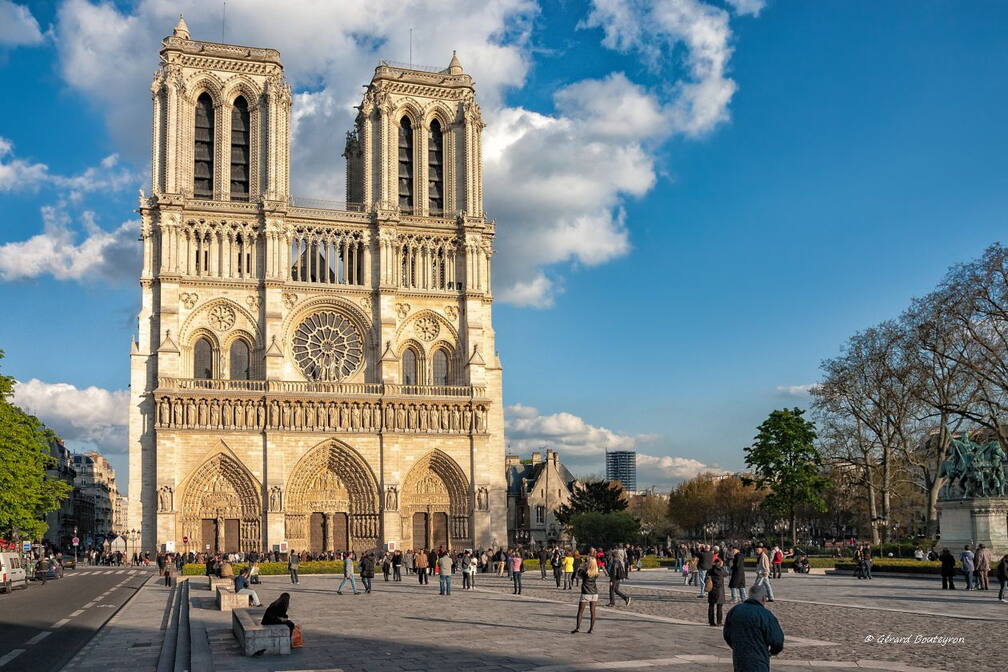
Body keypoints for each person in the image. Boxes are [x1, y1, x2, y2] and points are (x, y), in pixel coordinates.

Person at [723, 584, 784, 672]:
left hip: (739, 659)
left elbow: (727, 634)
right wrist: (772, 652)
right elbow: (777, 640)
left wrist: (737, 646)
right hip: (759, 660)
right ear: (763, 598)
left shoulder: (734, 611)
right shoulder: (766, 615)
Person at [571, 556, 601, 634]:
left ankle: (577, 627)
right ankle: (591, 629)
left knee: (580, 611)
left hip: (586, 593)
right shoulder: (596, 572)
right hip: (594, 593)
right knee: (593, 612)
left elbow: (576, 576)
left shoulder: (585, 572)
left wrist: (583, 567)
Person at [708, 557, 727, 626]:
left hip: (711, 590)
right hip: (719, 590)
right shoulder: (721, 570)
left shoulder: (710, 570)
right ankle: (719, 622)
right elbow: (726, 574)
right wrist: (721, 567)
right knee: (719, 607)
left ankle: (711, 621)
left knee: (711, 606)